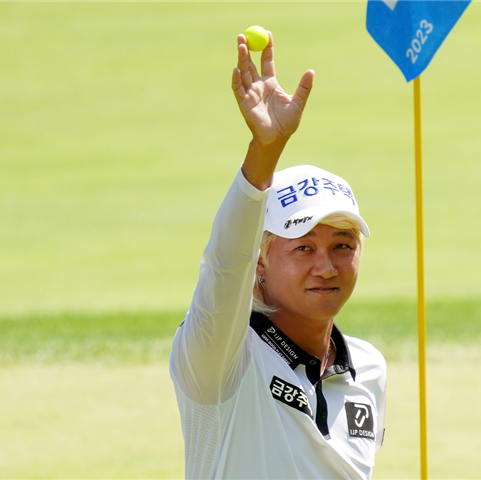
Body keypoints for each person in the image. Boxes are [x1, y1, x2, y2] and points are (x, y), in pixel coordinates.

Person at [169, 31, 386, 479]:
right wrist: (265, 151)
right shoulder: (220, 357)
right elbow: (226, 264)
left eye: (342, 246)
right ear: (261, 262)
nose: (326, 267)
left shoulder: (369, 368)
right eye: (303, 247)